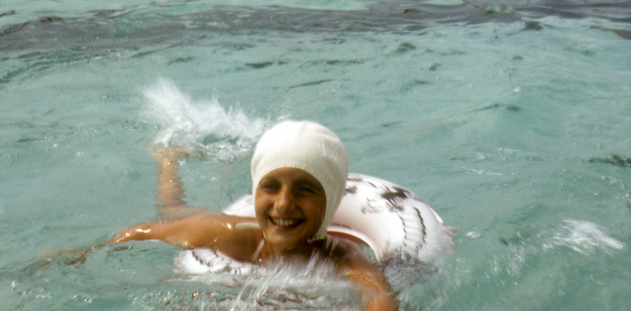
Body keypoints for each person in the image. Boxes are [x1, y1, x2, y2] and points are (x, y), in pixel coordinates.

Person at [57, 120, 398, 311]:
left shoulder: (342, 259)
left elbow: (378, 295)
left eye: (305, 189)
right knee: (171, 209)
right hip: (197, 222)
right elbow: (143, 232)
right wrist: (84, 252)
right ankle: (168, 161)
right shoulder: (231, 235)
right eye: (271, 186)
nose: (283, 204)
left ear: (331, 198)